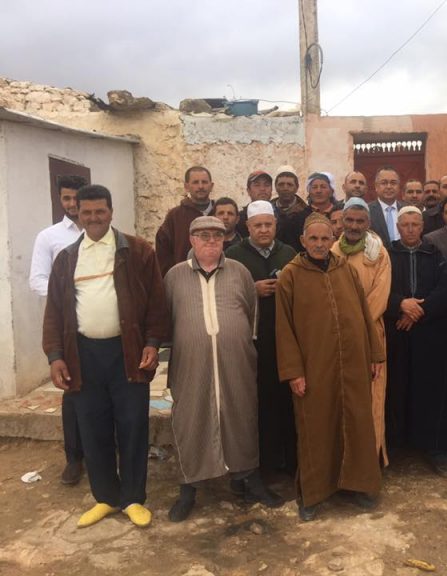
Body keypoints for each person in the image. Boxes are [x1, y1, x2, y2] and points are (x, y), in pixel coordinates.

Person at [43, 184, 168, 528]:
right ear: (78, 215)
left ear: (111, 212)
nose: (94, 217)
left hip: (127, 353)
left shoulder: (137, 251)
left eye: (100, 211)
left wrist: (152, 343)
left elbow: (157, 302)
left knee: (132, 425)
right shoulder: (67, 258)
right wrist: (55, 356)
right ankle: (106, 498)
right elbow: (54, 311)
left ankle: (133, 498)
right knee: (92, 427)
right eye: (87, 212)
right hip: (83, 356)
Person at [164, 216, 283, 522]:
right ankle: (188, 488)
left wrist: (239, 343)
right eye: (203, 235)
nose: (211, 241)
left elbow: (252, 313)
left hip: (236, 361)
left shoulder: (239, 272)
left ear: (224, 240)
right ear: (192, 240)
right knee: (190, 419)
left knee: (241, 415)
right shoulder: (175, 276)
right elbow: (169, 317)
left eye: (217, 236)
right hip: (191, 364)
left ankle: (248, 479)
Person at [276, 213, 384, 521]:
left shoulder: (345, 270)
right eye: (314, 238)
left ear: (332, 240)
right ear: (303, 241)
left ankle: (358, 485)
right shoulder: (291, 276)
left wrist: (374, 354)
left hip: (354, 362)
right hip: (315, 367)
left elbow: (364, 313)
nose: (320, 244)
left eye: (325, 238)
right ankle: (313, 493)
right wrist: (294, 372)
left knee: (357, 422)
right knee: (316, 428)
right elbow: (284, 329)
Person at [226, 201, 298, 475]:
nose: (264, 230)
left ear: (276, 225)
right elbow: (225, 294)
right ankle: (262, 464)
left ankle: (290, 461)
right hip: (251, 342)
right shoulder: (234, 256)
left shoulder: (288, 253)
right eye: (258, 225)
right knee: (258, 402)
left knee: (286, 400)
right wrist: (251, 290)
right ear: (248, 227)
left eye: (268, 224)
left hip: (284, 339)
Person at [384, 207, 447, 476]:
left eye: (415, 224)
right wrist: (399, 305)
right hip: (397, 333)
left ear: (422, 226)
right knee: (397, 389)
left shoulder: (435, 254)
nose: (411, 229)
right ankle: (395, 446)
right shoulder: (387, 255)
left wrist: (416, 312)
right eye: (406, 225)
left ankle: (435, 448)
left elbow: (446, 289)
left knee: (432, 391)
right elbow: (378, 288)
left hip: (430, 334)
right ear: (398, 227)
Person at [29, 174, 87, 486]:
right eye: (66, 198)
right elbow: (37, 279)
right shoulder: (49, 237)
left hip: (101, 323)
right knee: (73, 391)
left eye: (77, 197)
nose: (72, 204)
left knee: (103, 387)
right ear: (60, 200)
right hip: (67, 326)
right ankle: (74, 458)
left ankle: (102, 450)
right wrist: (68, 298)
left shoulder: (100, 231)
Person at [332, 198, 392, 465]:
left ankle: (370, 460)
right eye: (349, 220)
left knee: (371, 397)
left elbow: (380, 296)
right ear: (342, 221)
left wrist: (356, 323)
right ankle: (344, 460)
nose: (354, 226)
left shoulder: (378, 253)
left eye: (360, 221)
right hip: (338, 335)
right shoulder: (333, 250)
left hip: (370, 335)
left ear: (368, 223)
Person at [156, 166, 215, 275]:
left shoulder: (220, 213)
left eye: (204, 182)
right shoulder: (175, 216)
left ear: (211, 186)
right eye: (195, 182)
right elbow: (163, 251)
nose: (200, 186)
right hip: (183, 277)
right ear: (186, 186)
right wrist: (172, 275)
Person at [271, 165, 310, 252]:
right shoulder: (268, 211)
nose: (285, 188)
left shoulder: (306, 214)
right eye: (281, 184)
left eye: (290, 185)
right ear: (276, 187)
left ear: (296, 188)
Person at [368, 166, 404, 246]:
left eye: (393, 183)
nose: (389, 187)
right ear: (376, 186)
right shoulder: (367, 211)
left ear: (399, 186)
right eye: (384, 183)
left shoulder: (406, 209)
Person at [236, 170, 273, 237]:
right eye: (257, 185)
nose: (262, 189)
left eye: (267, 185)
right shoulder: (240, 219)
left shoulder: (282, 217)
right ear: (248, 191)